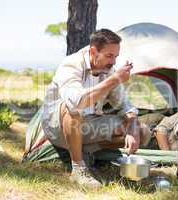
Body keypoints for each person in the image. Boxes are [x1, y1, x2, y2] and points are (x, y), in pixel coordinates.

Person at [41, 29, 150, 188]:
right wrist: (114, 79)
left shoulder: (107, 70)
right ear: (93, 51)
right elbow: (76, 103)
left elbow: (125, 106)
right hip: (58, 127)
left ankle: (85, 151)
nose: (113, 62)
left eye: (115, 57)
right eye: (109, 56)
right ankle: (78, 169)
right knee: (73, 108)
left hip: (88, 125)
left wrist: (133, 128)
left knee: (143, 131)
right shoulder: (71, 65)